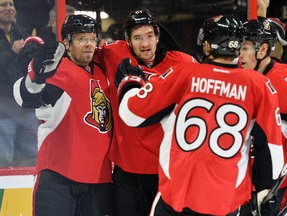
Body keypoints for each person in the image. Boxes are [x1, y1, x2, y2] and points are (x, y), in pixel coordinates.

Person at [115, 14, 284, 215]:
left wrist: (130, 81)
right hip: (226, 201)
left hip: (177, 196)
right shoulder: (260, 86)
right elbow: (272, 155)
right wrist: (265, 189)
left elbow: (132, 113)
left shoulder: (184, 72)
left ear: (206, 46)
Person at [95, 9, 197, 216]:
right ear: (128, 40)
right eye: (138, 38)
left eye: (150, 36)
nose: (145, 44)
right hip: (126, 170)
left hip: (165, 171)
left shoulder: (184, 63)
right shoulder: (114, 53)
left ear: (158, 37)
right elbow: (81, 52)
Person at [13, 14, 114, 215]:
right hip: (58, 176)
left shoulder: (105, 70)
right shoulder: (57, 68)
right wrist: (35, 74)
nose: (88, 44)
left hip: (98, 180)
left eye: (92, 38)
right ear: (67, 43)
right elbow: (25, 97)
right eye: (80, 39)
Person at [239, 18, 287, 216]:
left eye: (245, 48)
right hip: (238, 181)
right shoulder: (233, 76)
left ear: (263, 50)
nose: (239, 55)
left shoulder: (284, 79)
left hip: (274, 184)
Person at [0, 0, 39, 167]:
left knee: (31, 161)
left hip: (27, 110)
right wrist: (11, 52)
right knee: (3, 163)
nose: (9, 8)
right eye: (3, 5)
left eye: (11, 5)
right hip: (2, 113)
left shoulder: (24, 33)